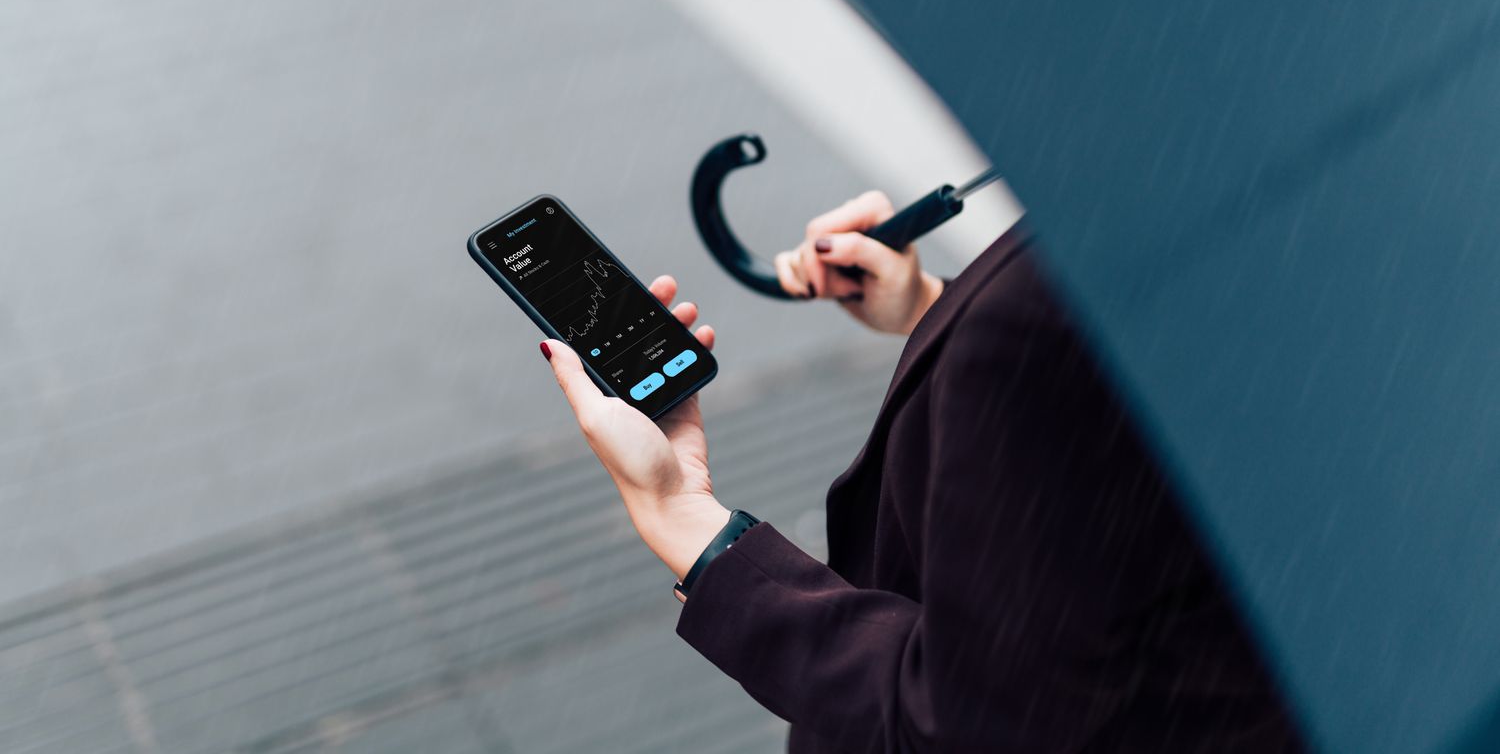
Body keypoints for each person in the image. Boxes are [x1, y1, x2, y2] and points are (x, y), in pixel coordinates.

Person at [539, 190, 1304, 752]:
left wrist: (688, 521)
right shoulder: (1301, 208)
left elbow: (960, 729)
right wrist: (934, 307)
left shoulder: (1053, 307)